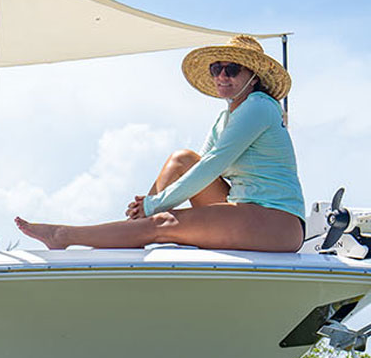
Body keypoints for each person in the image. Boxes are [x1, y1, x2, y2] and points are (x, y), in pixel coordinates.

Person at [15, 34, 305, 253]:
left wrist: (155, 205)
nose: (221, 76)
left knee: (162, 224)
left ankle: (64, 236)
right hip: (242, 208)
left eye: (231, 70)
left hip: (277, 221)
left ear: (252, 77)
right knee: (182, 159)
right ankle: (132, 231)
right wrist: (152, 205)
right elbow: (200, 167)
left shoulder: (260, 106)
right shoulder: (226, 117)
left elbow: (215, 162)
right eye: (217, 69)